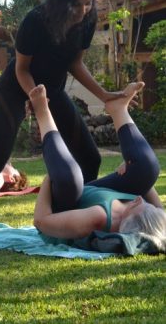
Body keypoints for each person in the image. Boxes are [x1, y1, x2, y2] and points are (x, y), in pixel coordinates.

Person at [0, 0, 126, 249]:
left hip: (52, 89)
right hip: (15, 88)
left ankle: (70, 223)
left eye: (88, 3)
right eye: (76, 4)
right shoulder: (36, 20)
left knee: (90, 157)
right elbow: (22, 69)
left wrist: (104, 94)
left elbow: (75, 64)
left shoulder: (88, 21)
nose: (82, 10)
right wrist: (34, 98)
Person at [30, 82, 165, 252]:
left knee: (69, 178)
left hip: (63, 206)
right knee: (146, 170)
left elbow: (41, 221)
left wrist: (49, 180)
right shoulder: (147, 220)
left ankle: (42, 113)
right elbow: (148, 187)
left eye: (143, 204)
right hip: (91, 195)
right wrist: (132, 170)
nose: (139, 198)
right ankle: (118, 109)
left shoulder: (98, 217)